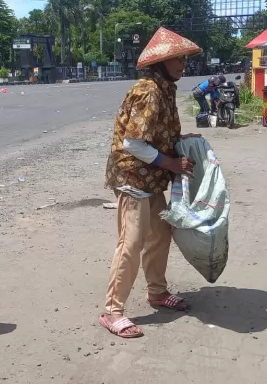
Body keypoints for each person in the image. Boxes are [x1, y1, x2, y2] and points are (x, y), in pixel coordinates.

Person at [101, 27, 202, 339]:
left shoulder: (165, 88)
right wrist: (172, 162)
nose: (183, 64)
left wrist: (179, 141)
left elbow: (155, 134)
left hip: (151, 179)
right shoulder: (150, 92)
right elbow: (134, 143)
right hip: (133, 178)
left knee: (160, 234)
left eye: (184, 59)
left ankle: (157, 293)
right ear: (161, 62)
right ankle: (113, 311)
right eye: (177, 59)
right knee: (131, 243)